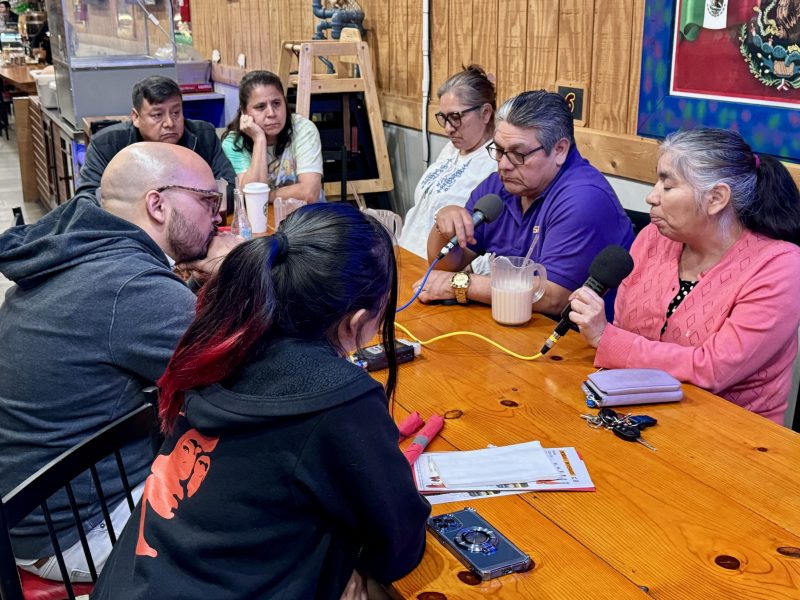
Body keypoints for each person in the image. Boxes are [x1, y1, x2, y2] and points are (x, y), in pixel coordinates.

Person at [91, 204, 431, 600]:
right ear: (355, 322)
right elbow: (400, 545)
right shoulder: (337, 399)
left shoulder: (221, 342)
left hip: (131, 583)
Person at [0, 142, 239, 582]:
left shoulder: (80, 246)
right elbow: (252, 375)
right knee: (264, 502)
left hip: (29, 506)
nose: (218, 217)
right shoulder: (132, 286)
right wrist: (238, 273)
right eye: (208, 200)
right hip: (72, 528)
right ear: (158, 205)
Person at [569, 128, 800, 424]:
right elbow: (626, 328)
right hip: (641, 412)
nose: (651, 196)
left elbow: (712, 370)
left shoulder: (779, 267)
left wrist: (605, 338)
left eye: (667, 185)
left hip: (733, 437)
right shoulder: (653, 238)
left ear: (716, 198)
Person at [416, 90, 634, 318]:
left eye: (518, 154)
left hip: (570, 340)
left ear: (559, 150)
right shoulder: (501, 186)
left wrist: (461, 284)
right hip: (513, 322)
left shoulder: (585, 198)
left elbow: (553, 297)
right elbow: (443, 269)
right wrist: (444, 227)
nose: (504, 165)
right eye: (499, 150)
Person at [77, 76, 236, 209]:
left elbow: (229, 188)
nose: (169, 123)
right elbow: (86, 199)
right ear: (136, 117)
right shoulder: (107, 144)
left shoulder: (203, 135)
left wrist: (177, 209)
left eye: (176, 112)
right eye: (157, 115)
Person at [399, 65, 497, 264]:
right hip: (404, 254)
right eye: (443, 118)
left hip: (435, 267)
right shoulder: (452, 148)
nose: (448, 129)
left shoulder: (495, 161)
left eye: (455, 117)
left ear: (486, 113)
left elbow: (484, 244)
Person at [222, 70, 324, 204]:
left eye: (276, 103)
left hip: (308, 218)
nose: (271, 113)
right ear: (244, 112)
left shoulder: (303, 129)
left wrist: (265, 196)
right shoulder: (234, 143)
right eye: (260, 107)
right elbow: (250, 198)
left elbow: (309, 193)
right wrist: (259, 140)